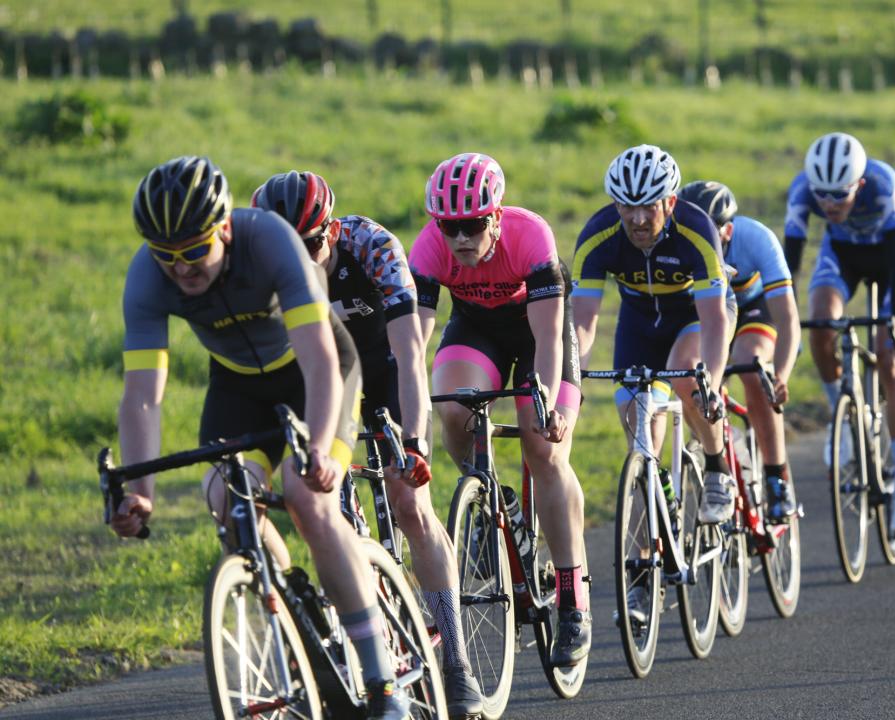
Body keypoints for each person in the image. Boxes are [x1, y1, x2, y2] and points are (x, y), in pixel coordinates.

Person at [114, 156, 408, 717]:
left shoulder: (270, 241)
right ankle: (295, 606)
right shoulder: (147, 276)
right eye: (166, 255)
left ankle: (382, 680)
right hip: (239, 387)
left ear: (224, 229)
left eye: (194, 250)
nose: (181, 268)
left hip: (317, 371)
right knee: (226, 502)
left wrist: (319, 450)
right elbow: (143, 396)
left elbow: (320, 360)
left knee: (307, 498)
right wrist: (141, 493)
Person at [251, 171, 482, 718]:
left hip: (385, 372)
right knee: (330, 517)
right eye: (286, 248)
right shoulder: (261, 270)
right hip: (324, 386)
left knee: (410, 504)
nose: (299, 261)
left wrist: (414, 442)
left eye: (310, 245)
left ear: (331, 232)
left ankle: (456, 661)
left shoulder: (373, 247)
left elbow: (410, 353)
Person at [409, 152, 591, 668]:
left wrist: (546, 399)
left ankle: (573, 599)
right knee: (452, 409)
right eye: (449, 226)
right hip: (477, 328)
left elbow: (548, 339)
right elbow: (414, 340)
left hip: (538, 333)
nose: (460, 238)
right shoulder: (428, 249)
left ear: (495, 217)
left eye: (471, 225)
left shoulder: (530, 236)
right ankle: (491, 498)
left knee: (544, 448)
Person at [572, 145, 736, 534]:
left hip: (697, 317)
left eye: (649, 206)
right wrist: (572, 381)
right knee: (639, 426)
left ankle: (717, 467)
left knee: (688, 375)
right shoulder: (597, 236)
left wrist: (711, 384)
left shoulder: (696, 230)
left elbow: (714, 320)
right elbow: (582, 323)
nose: (638, 218)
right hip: (639, 323)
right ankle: (655, 529)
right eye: (627, 207)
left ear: (671, 202)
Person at [784, 132, 895, 538]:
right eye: (822, 195)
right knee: (820, 324)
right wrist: (785, 320)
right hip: (842, 255)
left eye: (839, 196)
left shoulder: (884, 185)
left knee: (889, 359)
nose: (829, 204)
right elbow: (789, 263)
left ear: (859, 184)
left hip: (892, 258)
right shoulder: (802, 190)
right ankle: (841, 420)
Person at [678, 181, 800, 521]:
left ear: (728, 231)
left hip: (753, 311)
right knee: (689, 377)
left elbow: (787, 317)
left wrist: (781, 375)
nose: (700, 238)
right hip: (707, 315)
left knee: (750, 364)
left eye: (710, 232)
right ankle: (722, 449)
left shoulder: (756, 239)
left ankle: (776, 476)